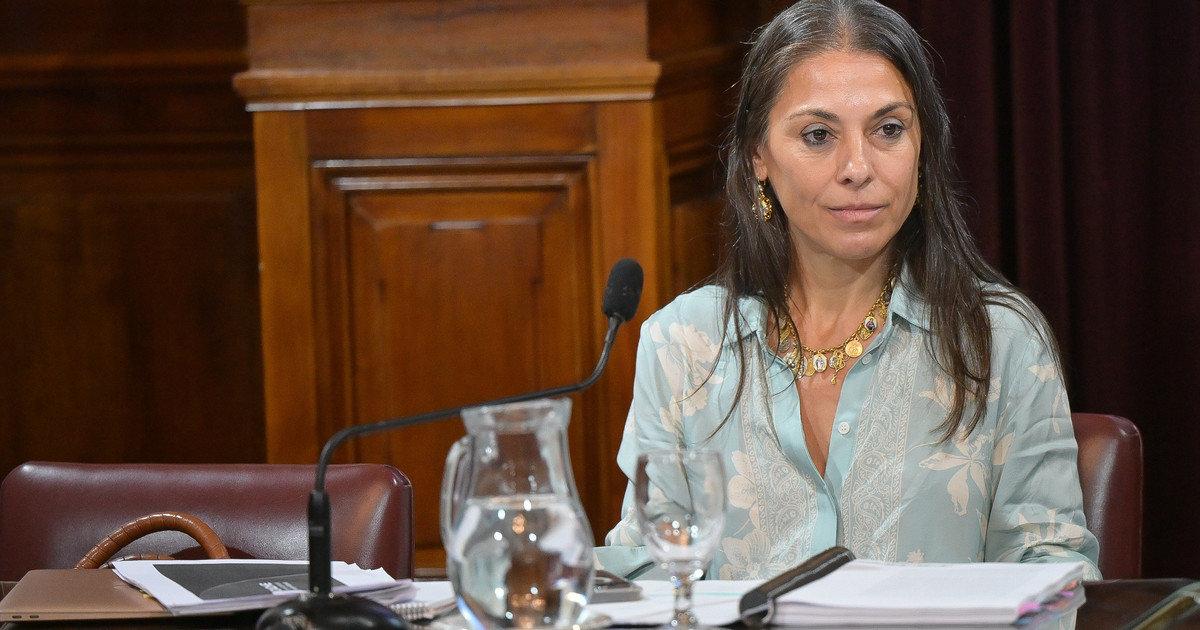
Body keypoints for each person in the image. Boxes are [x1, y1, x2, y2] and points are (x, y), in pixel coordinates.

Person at [594, 0, 1100, 581]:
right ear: (758, 156)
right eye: (818, 135)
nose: (858, 167)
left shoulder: (1000, 340)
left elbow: (1054, 576)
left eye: (888, 130)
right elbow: (648, 575)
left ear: (922, 147)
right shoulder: (682, 346)